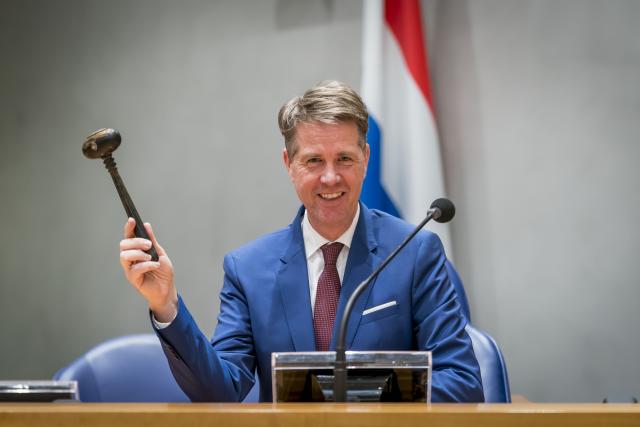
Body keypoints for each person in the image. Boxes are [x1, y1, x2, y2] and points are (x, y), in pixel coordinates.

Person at [119, 80, 484, 403]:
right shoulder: (247, 269)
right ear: (288, 164)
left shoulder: (415, 252)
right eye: (313, 160)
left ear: (366, 159)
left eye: (344, 158)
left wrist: (353, 392)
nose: (330, 177)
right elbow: (222, 390)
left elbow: (463, 383)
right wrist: (166, 305)